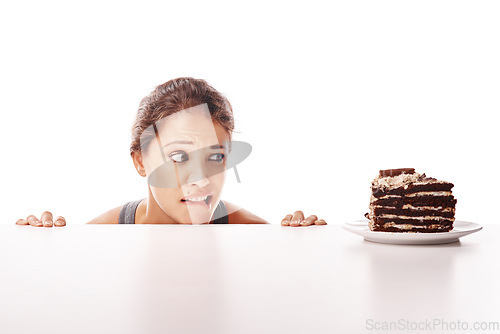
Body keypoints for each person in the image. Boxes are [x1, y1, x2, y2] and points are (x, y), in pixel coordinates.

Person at [15, 78, 326, 228]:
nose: (201, 181)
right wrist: (39, 246)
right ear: (140, 161)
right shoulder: (105, 235)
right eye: (179, 157)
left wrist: (302, 245)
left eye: (215, 157)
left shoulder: (249, 232)